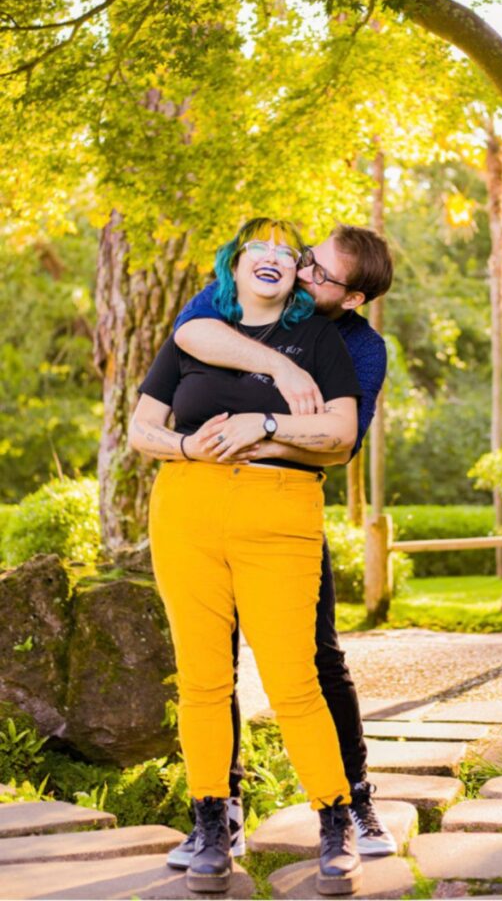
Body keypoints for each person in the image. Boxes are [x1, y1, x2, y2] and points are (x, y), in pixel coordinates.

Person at [129, 218, 366, 896]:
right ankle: (208, 825)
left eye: (285, 255)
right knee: (201, 677)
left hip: (280, 513)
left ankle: (334, 821)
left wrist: (261, 425)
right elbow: (142, 429)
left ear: (295, 277)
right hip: (186, 509)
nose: (271, 258)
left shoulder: (318, 338)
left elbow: (339, 433)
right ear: (233, 268)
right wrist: (186, 448)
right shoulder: (195, 333)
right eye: (256, 248)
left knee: (293, 677)